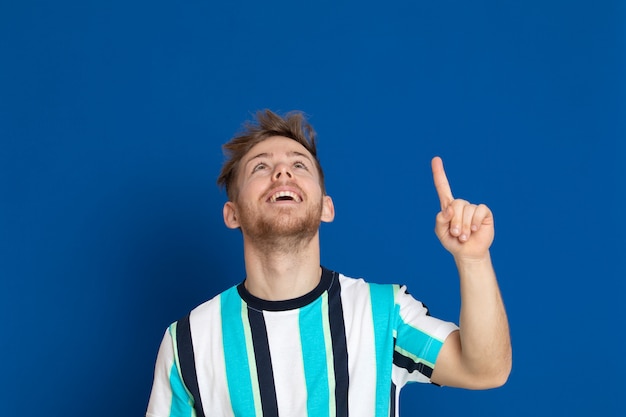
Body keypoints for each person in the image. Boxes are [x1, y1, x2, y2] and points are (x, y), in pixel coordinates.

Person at [146, 110, 512, 417]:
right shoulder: (188, 340)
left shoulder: (383, 314)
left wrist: (473, 258)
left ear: (326, 207)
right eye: (261, 167)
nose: (282, 173)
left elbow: (486, 369)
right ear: (233, 213)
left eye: (298, 164)